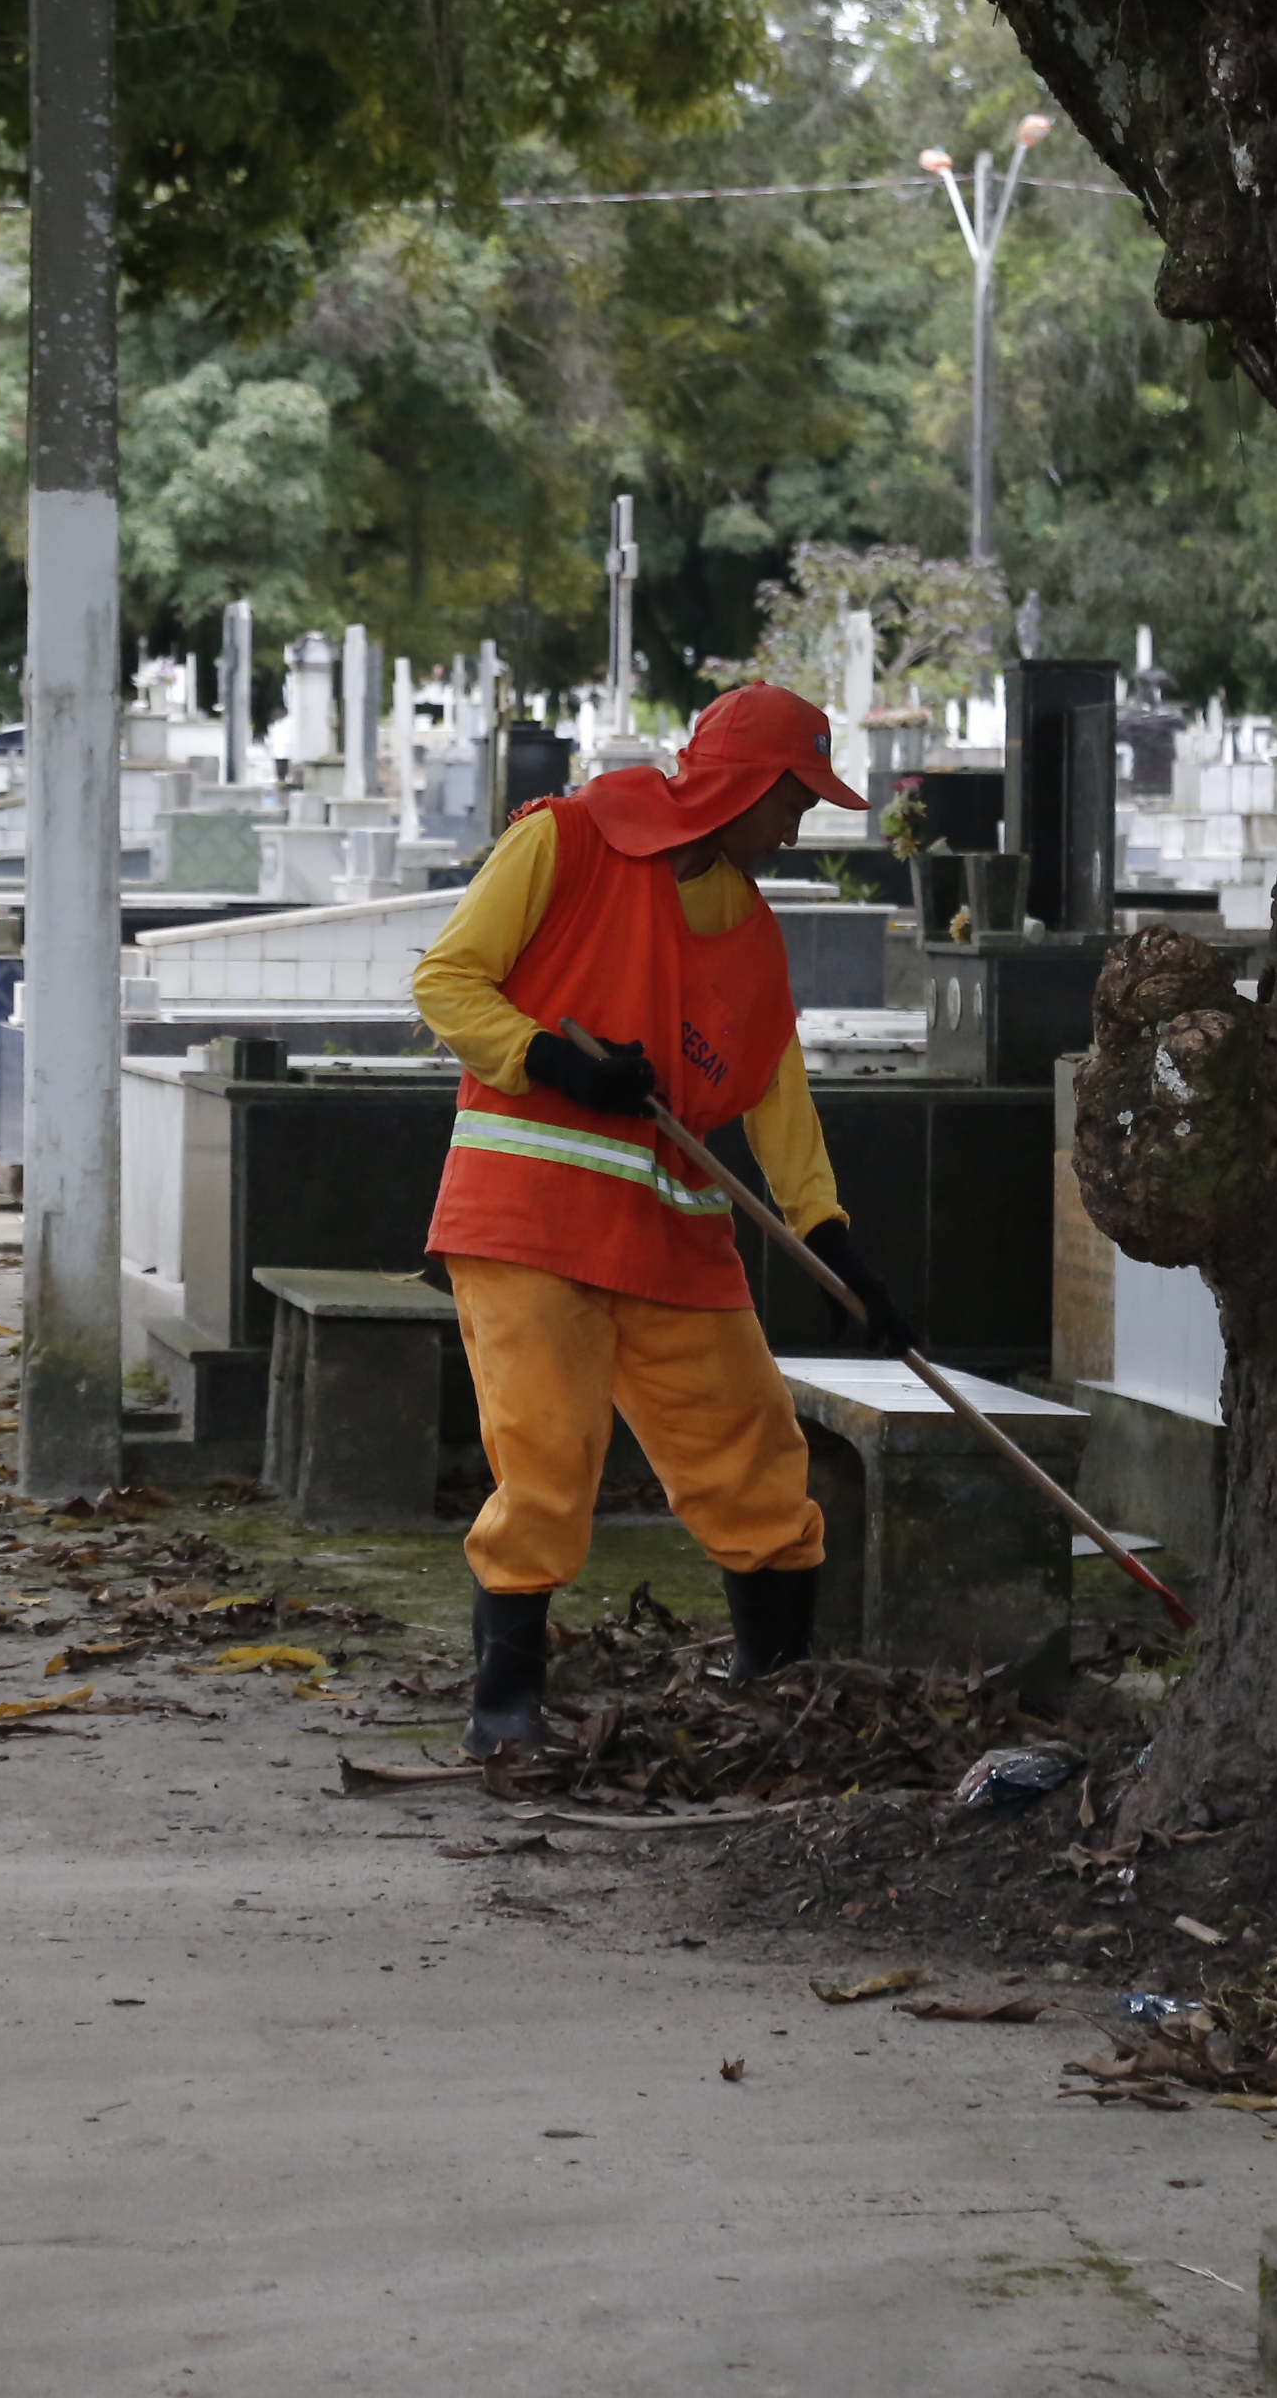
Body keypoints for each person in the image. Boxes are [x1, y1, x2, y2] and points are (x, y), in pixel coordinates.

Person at [412, 682, 917, 1755]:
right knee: (546, 1466)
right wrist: (548, 1058)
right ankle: (505, 1709)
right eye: (793, 799)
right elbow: (447, 981)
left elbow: (780, 1095)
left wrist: (834, 1245)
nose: (799, 823)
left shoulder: (754, 933)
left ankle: (776, 1684)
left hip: (673, 1237)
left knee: (755, 1459)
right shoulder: (566, 840)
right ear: (745, 787)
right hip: (529, 1220)